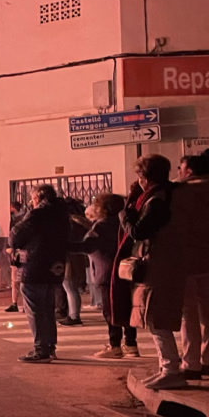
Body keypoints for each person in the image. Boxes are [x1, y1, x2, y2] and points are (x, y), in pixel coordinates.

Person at [120, 155, 189, 390]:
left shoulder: (157, 200)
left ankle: (170, 369)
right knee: (157, 315)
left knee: (156, 317)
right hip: (169, 260)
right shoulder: (172, 194)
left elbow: (139, 231)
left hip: (161, 263)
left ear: (145, 177)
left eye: (140, 177)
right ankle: (167, 367)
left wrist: (125, 215)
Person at [176, 150, 209, 378]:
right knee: (206, 307)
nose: (178, 172)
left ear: (189, 170)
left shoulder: (184, 193)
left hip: (187, 255)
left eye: (181, 168)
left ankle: (191, 362)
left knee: (188, 311)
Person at [74, 194, 138, 359]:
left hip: (106, 272)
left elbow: (87, 246)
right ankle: (131, 344)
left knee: (110, 310)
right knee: (127, 307)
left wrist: (65, 245)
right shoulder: (124, 223)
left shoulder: (101, 226)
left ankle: (115, 345)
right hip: (126, 271)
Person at [11, 185, 69, 363]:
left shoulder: (37, 215)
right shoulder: (62, 214)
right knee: (48, 308)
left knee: (35, 309)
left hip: (35, 265)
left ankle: (41, 349)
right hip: (54, 266)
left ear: (39, 198)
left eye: (33, 198)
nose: (32, 202)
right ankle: (49, 346)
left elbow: (15, 236)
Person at [58, 199, 89, 326]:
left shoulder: (70, 223)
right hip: (78, 257)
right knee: (72, 287)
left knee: (69, 286)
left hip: (70, 258)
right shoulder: (81, 221)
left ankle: (74, 316)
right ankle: (73, 314)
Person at [4, 201, 25, 312]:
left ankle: (25, 304)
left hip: (22, 251)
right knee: (14, 279)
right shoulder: (13, 219)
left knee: (22, 279)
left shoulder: (23, 219)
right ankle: (14, 303)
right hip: (15, 252)